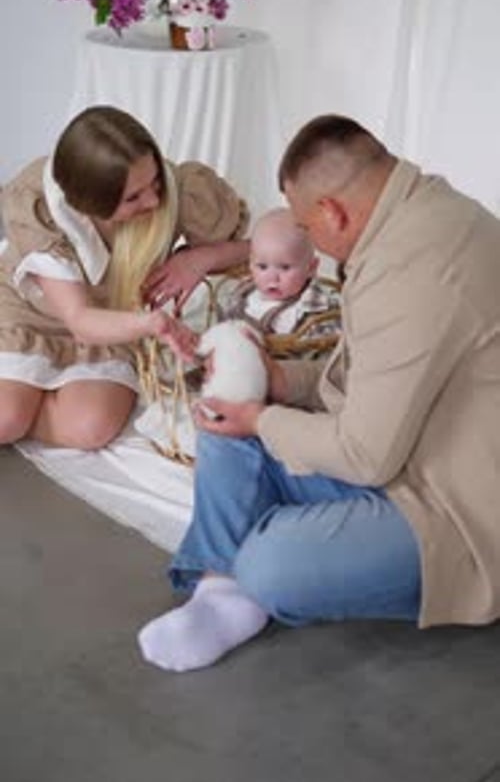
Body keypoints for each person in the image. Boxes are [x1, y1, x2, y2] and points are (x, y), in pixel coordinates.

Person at [138, 113, 500, 674]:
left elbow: (365, 454)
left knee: (270, 565)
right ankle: (219, 590)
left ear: (332, 212)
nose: (312, 242)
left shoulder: (412, 269)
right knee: (224, 421)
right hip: (404, 445)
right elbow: (371, 375)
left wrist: (261, 419)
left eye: (308, 229)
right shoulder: (419, 211)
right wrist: (277, 385)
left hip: (453, 505)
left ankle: (243, 578)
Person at [0, 105, 249, 449]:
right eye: (133, 197)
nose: (152, 200)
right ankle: (19, 401)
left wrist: (201, 258)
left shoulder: (178, 190)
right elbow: (80, 320)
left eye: (155, 181)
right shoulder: (42, 210)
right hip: (32, 316)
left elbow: (257, 249)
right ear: (90, 202)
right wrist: (153, 324)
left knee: (90, 428)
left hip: (114, 322)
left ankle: (26, 395)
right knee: (7, 419)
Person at [219, 206, 341, 345]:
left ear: (311, 268)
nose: (272, 278)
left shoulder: (317, 305)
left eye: (285, 267)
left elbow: (330, 349)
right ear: (250, 264)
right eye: (262, 267)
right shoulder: (240, 299)